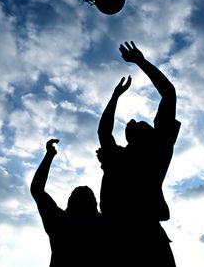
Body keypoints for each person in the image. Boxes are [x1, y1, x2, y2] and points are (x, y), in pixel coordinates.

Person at [97, 41, 180, 267]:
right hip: (125, 235)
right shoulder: (124, 155)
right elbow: (103, 131)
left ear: (148, 132)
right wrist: (115, 96)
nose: (132, 120)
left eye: (137, 122)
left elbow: (169, 93)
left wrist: (140, 62)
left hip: (137, 235)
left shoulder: (156, 149)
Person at [30, 139, 102, 267]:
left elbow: (37, 189)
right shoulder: (104, 223)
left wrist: (49, 155)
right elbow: (37, 190)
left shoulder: (61, 222)